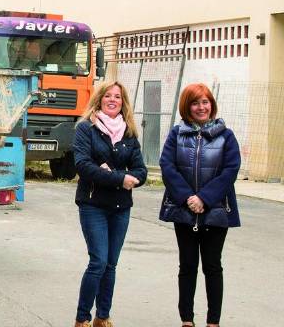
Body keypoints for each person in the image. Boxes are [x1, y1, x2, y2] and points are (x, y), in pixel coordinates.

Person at [158, 83, 240, 327]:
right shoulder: (176, 134)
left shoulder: (226, 136)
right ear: (187, 106)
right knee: (188, 265)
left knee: (213, 266)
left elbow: (230, 170)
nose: (201, 107)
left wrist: (204, 198)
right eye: (195, 102)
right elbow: (167, 167)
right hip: (183, 211)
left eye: (205, 102)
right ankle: (187, 320)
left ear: (211, 105)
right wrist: (188, 199)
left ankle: (213, 321)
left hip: (216, 211)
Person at [72, 80, 147, 327]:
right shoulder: (86, 128)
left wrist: (116, 175)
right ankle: (82, 318)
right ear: (100, 99)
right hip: (93, 204)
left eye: (117, 96)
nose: (112, 100)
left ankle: (102, 317)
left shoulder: (129, 132)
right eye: (108, 96)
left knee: (111, 264)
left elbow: (141, 171)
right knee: (98, 262)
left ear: (122, 102)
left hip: (120, 208)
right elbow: (83, 165)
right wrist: (119, 177)